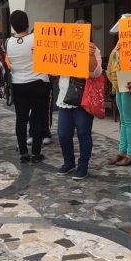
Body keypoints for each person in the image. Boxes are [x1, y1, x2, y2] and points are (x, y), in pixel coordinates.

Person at [56, 21, 102, 180]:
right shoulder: (63, 48)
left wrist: (90, 55)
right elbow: (53, 68)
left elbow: (96, 73)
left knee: (83, 133)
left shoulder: (94, 49)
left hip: (83, 99)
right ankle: (69, 162)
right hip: (65, 97)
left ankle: (83, 166)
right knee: (63, 133)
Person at [6, 10, 51, 163]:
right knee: (37, 118)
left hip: (19, 84)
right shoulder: (36, 38)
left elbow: (10, 64)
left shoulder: (8, 42)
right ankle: (36, 152)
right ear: (27, 23)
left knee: (21, 118)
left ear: (13, 26)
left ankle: (23, 151)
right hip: (39, 82)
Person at [107, 13, 131, 166]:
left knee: (129, 120)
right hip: (119, 83)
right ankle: (122, 151)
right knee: (124, 121)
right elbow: (113, 62)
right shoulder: (120, 42)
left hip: (128, 83)